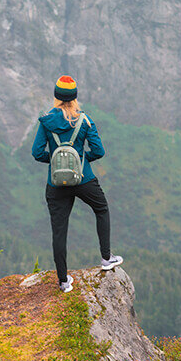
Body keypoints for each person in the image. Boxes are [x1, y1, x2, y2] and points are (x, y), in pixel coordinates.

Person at [32, 75, 122, 292]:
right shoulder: (84, 120)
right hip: (83, 179)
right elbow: (99, 151)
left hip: (55, 183)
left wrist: (56, 162)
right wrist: (79, 161)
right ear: (75, 97)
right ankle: (106, 258)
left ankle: (63, 281)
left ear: (56, 96)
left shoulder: (46, 121)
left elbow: (37, 153)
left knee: (59, 230)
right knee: (101, 208)